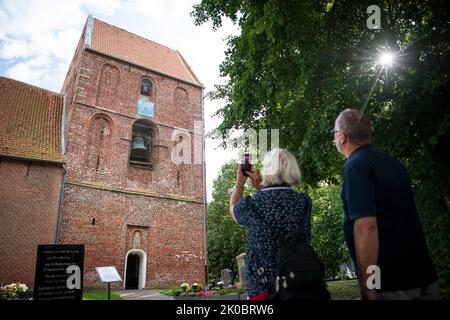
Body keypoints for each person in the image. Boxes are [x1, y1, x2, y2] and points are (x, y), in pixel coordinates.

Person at [332, 109, 440, 300]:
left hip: (392, 282)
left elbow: (366, 226)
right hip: (423, 274)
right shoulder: (393, 164)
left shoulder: (356, 166)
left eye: (333, 134)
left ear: (341, 137)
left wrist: (369, 285)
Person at [229, 148, 312, 300]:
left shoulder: (252, 204)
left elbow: (233, 211)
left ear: (268, 170)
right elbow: (278, 202)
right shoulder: (304, 202)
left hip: (264, 287)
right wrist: (261, 186)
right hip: (300, 283)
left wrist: (240, 184)